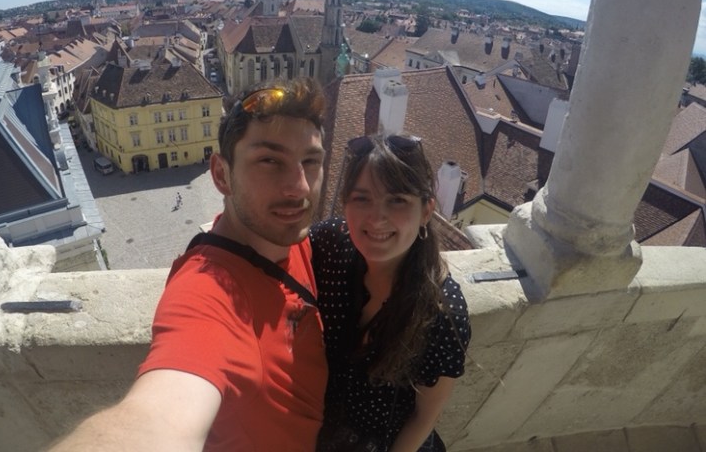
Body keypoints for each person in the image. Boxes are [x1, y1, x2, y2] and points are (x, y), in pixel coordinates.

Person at [49, 77, 329, 451]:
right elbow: (154, 419)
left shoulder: (293, 236)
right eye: (269, 161)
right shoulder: (207, 291)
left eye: (311, 161)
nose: (300, 187)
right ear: (220, 175)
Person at [311, 133, 471, 452]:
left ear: (426, 211)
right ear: (345, 204)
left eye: (397, 200)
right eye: (362, 198)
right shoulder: (328, 245)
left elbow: (423, 420)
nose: (376, 217)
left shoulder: (441, 313)